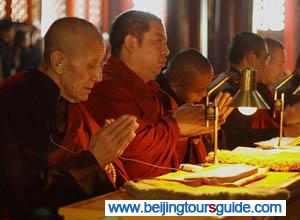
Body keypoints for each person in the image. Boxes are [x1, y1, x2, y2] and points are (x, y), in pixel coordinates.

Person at [0, 17, 138, 220]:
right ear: (59, 62)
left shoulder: (72, 105)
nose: (99, 77)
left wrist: (107, 159)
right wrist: (93, 159)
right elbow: (25, 197)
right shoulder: (13, 103)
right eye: (92, 65)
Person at [84, 10, 225, 180]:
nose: (166, 50)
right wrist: (176, 126)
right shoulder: (107, 87)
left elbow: (171, 153)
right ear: (131, 44)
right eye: (158, 41)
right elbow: (133, 157)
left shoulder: (152, 90)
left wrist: (196, 129)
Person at [156, 48, 232, 162]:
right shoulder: (157, 100)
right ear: (176, 86)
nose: (205, 94)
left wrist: (213, 128)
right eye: (199, 91)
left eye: (207, 88)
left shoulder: (190, 94)